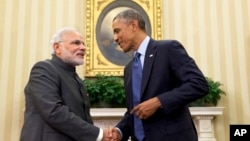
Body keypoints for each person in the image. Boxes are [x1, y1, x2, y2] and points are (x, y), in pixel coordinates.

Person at [110, 9, 209, 141]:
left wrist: (159, 101)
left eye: (117, 31)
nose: (115, 38)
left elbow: (198, 84)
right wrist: (119, 131)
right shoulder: (129, 69)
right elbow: (134, 111)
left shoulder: (168, 49)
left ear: (133, 25)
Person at [20, 27, 114, 141]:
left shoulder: (76, 79)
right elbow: (53, 111)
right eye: (76, 43)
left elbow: (84, 119)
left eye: (83, 44)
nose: (83, 47)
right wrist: (98, 134)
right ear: (57, 47)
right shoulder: (44, 69)